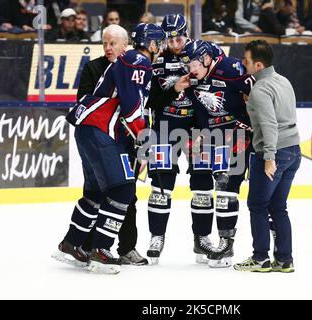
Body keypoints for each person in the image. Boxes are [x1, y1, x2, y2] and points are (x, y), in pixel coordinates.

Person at [51, 23, 166, 274]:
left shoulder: (129, 60)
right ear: (151, 43)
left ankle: (71, 243)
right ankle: (101, 250)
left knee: (95, 191)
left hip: (89, 128)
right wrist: (144, 141)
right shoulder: (138, 61)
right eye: (159, 42)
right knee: (123, 189)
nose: (161, 47)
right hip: (100, 130)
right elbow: (132, 107)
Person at [144, 14, 225, 265]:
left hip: (197, 129)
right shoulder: (157, 63)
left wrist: (206, 127)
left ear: (186, 34)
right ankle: (156, 236)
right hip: (166, 128)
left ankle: (201, 238)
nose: (175, 43)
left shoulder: (203, 53)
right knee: (160, 186)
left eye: (178, 37)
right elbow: (152, 102)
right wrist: (175, 88)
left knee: (202, 186)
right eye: (169, 39)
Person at [76, 25, 148, 266]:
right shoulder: (93, 67)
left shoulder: (136, 66)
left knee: (128, 195)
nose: (108, 48)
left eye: (113, 43)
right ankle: (88, 246)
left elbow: (147, 99)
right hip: (104, 139)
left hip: (127, 141)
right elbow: (85, 105)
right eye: (104, 43)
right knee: (99, 193)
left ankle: (126, 248)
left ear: (125, 44)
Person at [180, 40, 256, 268]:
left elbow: (257, 95)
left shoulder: (231, 69)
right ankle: (201, 240)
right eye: (188, 64)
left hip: (236, 138)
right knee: (200, 190)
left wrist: (255, 128)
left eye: (193, 63)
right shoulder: (193, 79)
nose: (190, 69)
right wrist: (192, 134)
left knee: (226, 188)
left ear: (205, 58)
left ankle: (226, 243)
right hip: (207, 140)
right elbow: (194, 110)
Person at [234, 40, 300, 273]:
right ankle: (284, 260)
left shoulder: (260, 90)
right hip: (293, 150)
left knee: (258, 205)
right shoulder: (283, 81)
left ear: (258, 65)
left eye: (247, 60)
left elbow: (270, 124)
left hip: (273, 153)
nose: (243, 62)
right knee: (278, 206)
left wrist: (269, 157)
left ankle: (260, 258)